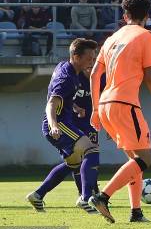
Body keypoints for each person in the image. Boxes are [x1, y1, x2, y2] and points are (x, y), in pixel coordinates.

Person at [89, 0, 151, 223]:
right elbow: (149, 76)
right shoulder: (146, 36)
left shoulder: (111, 38)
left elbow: (95, 74)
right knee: (145, 158)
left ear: (125, 15)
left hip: (106, 104)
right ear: (147, 15)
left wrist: (96, 110)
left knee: (134, 161)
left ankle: (136, 212)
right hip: (125, 103)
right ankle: (102, 196)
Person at [26, 38, 101, 215]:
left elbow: (59, 96)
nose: (92, 61)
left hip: (62, 121)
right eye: (89, 58)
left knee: (73, 164)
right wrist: (53, 126)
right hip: (59, 124)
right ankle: (85, 197)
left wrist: (74, 107)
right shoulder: (67, 78)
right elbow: (51, 103)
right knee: (91, 149)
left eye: (93, 57)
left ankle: (37, 195)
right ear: (76, 56)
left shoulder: (67, 68)